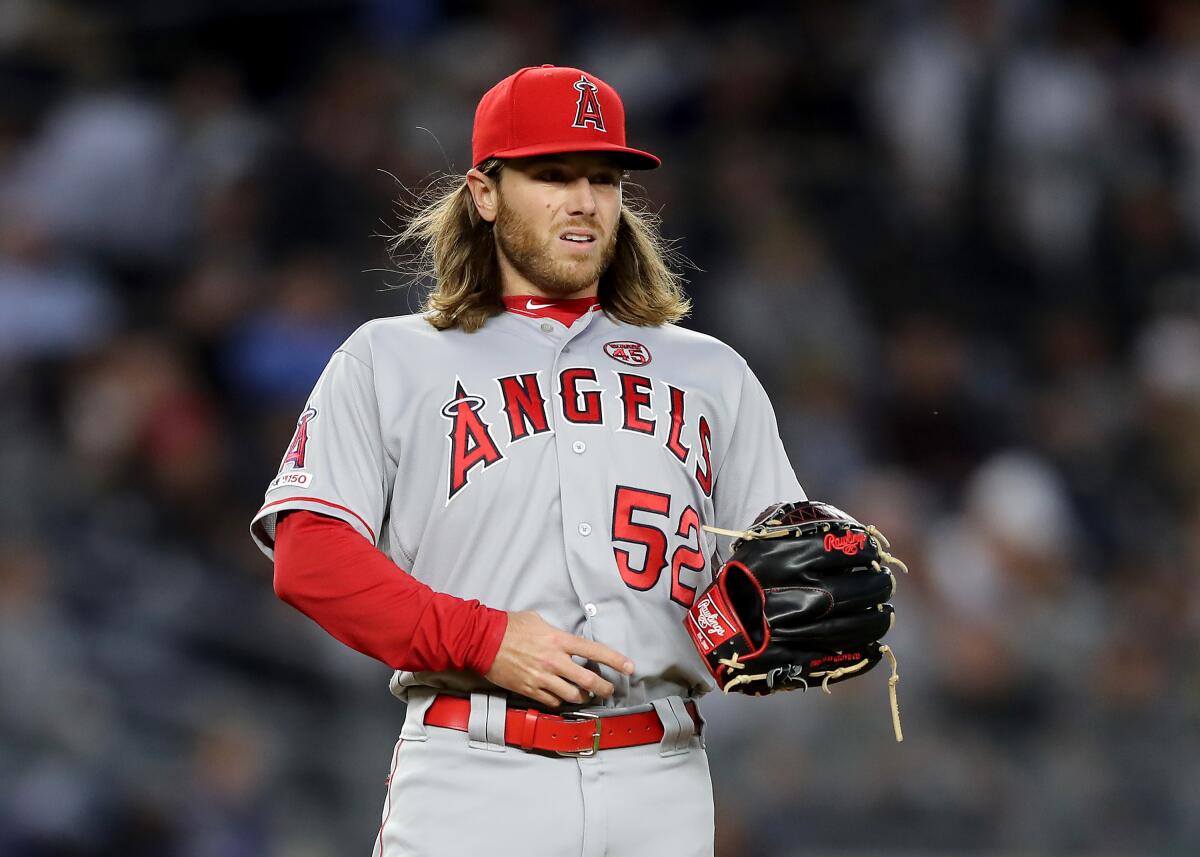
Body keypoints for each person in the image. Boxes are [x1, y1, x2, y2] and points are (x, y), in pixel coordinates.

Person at [250, 64, 802, 857]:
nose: (583, 200)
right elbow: (310, 558)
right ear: (484, 192)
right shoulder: (391, 359)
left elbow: (781, 563)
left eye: (603, 178)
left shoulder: (710, 371)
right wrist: (484, 638)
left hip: (664, 772)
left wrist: (786, 615)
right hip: (475, 771)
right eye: (552, 175)